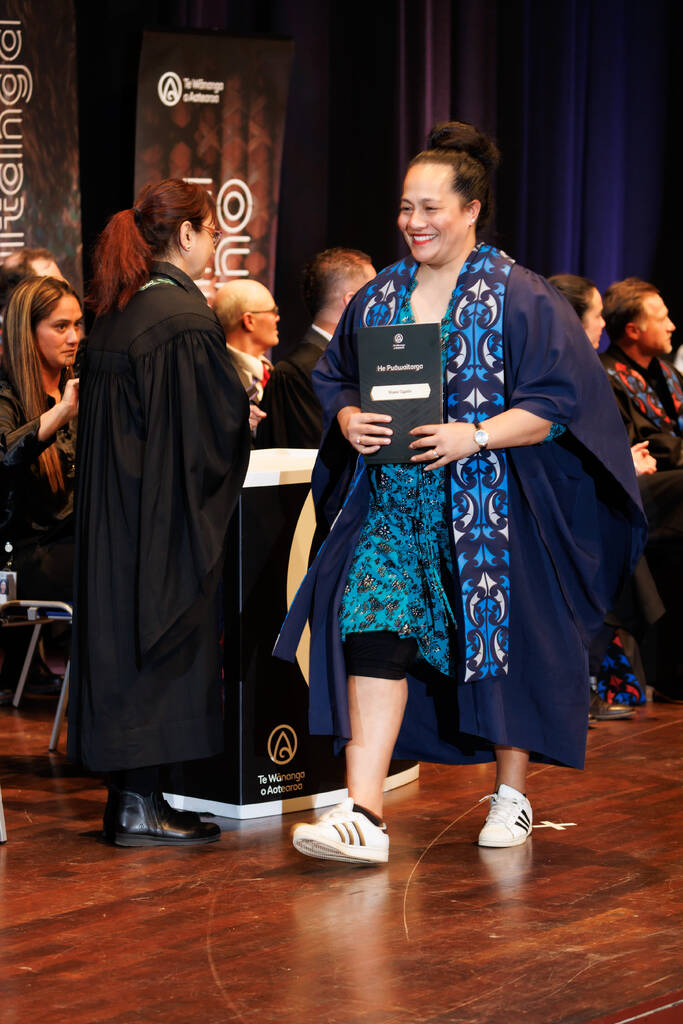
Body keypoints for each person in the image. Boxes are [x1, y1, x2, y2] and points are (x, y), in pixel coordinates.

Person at [275, 122, 647, 865]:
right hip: (393, 505)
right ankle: (363, 814)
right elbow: (335, 377)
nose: (414, 222)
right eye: (405, 208)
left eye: (430, 208)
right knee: (369, 625)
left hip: (490, 510)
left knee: (498, 647)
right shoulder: (378, 296)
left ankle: (511, 793)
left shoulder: (519, 295)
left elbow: (556, 404)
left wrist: (471, 436)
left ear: (470, 209)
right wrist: (348, 417)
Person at [67, 178, 251, 846]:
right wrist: (240, 409)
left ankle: (133, 801)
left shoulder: (119, 308)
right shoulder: (182, 318)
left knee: (120, 643)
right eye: (210, 232)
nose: (213, 245)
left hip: (112, 516)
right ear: (186, 234)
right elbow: (207, 433)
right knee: (158, 639)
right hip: (157, 522)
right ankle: (142, 805)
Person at [549, 273, 663, 715]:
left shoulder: (579, 367)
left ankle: (612, 661)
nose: (602, 325)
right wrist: (621, 467)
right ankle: (603, 666)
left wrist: (621, 462)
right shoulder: (560, 369)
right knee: (617, 516)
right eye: (596, 315)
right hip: (556, 498)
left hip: (583, 487)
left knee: (622, 513)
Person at [601, 278, 683, 701]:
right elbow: (646, 447)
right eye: (662, 317)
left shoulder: (668, 375)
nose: (671, 325)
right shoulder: (608, 375)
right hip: (635, 493)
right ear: (632, 329)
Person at [0, 277, 81, 703]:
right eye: (61, 326)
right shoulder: (7, 391)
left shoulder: (76, 387)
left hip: (72, 542)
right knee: (102, 572)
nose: (74, 338)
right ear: (27, 332)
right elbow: (4, 454)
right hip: (24, 552)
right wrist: (62, 413)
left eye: (78, 326)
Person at [257, 248, 375, 449]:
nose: (384, 302)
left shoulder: (355, 361)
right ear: (352, 301)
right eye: (375, 293)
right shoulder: (296, 374)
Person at [214, 279, 280, 438]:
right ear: (249, 320)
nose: (277, 318)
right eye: (273, 311)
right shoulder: (217, 378)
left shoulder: (273, 372)